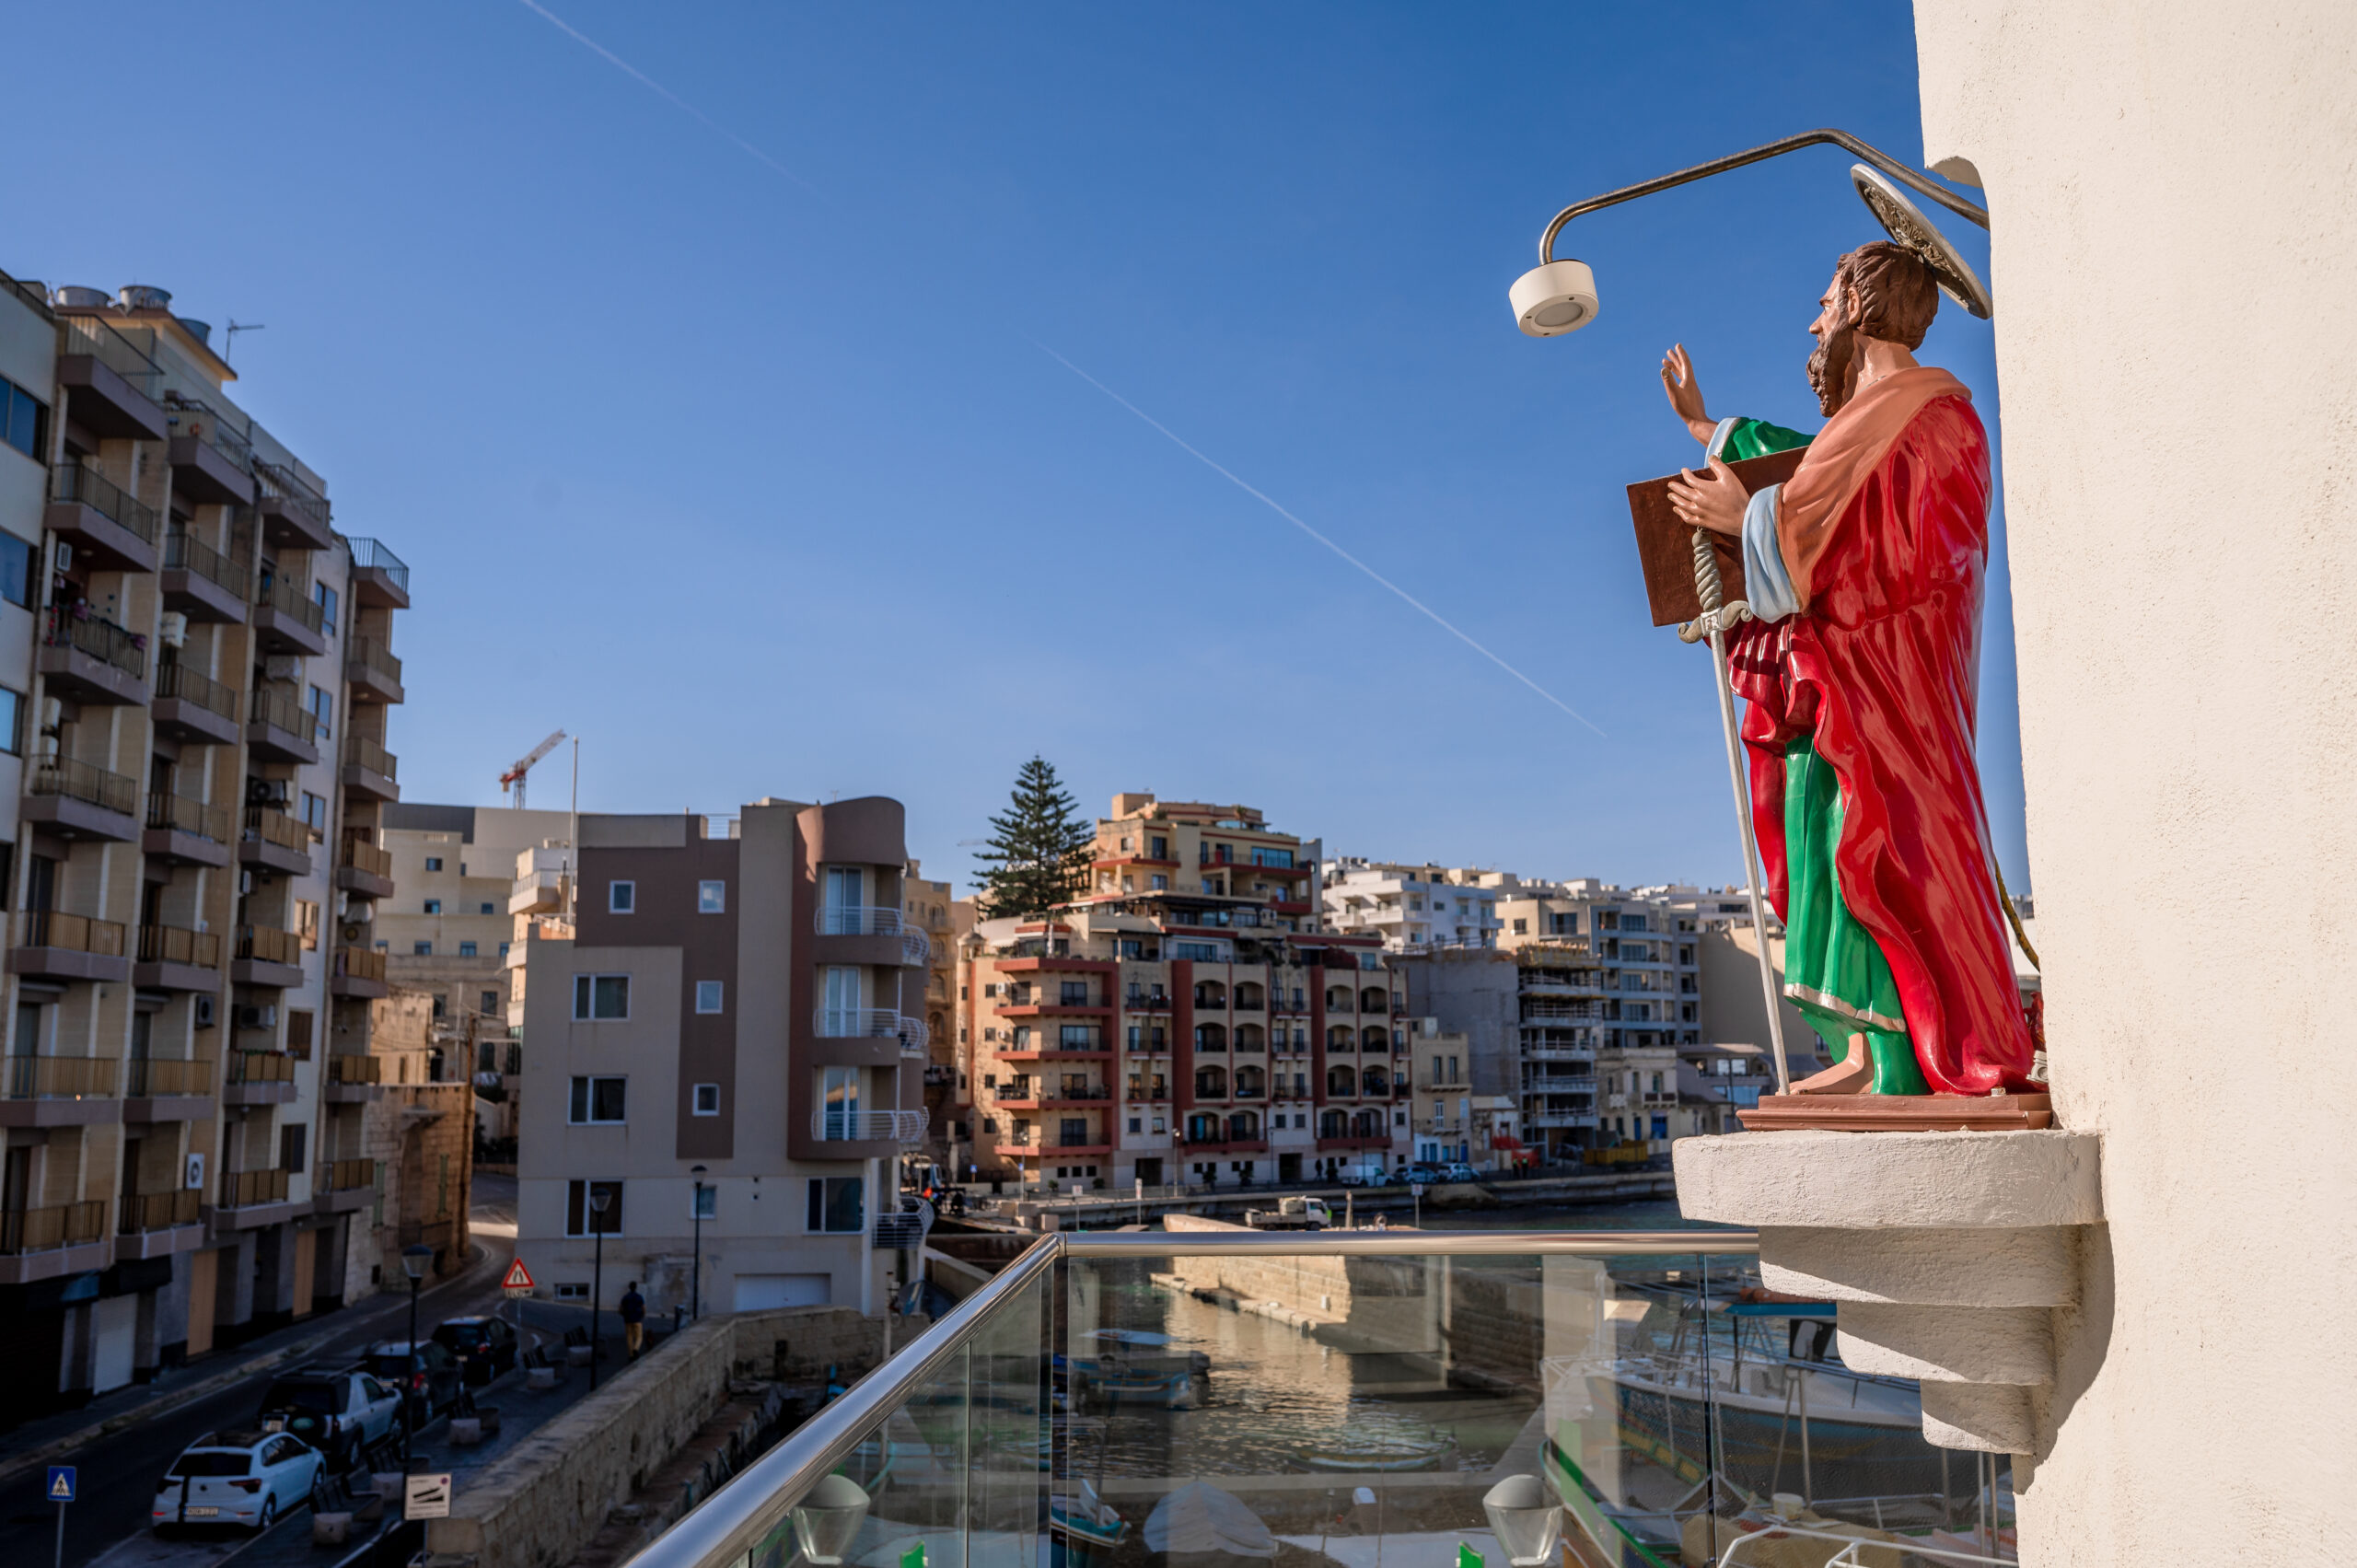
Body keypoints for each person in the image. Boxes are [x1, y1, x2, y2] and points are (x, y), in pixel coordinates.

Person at [1660, 240, 2037, 1098]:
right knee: (1821, 836)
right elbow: (1809, 471)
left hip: (1888, 686)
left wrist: (1749, 519)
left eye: (1826, 300)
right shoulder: (1869, 420)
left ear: (1864, 304)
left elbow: (1894, 549)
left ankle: (1904, 1056)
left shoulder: (1936, 417)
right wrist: (1710, 434)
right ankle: (1865, 1050)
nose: (1813, 319)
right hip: (1839, 683)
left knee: (1871, 844)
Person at [619, 1280, 646, 1357]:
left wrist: (622, 1314)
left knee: (629, 1337)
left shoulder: (625, 1297)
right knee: (639, 1336)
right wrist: (643, 1315)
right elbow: (643, 1307)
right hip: (637, 1319)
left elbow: (621, 1308)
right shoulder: (639, 1297)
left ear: (629, 1287)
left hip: (628, 1319)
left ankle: (631, 1354)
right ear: (636, 1287)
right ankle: (636, 1348)